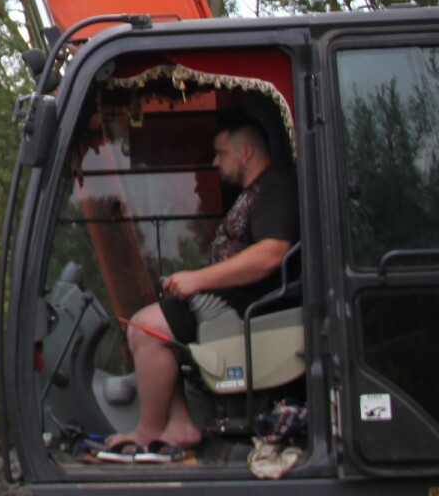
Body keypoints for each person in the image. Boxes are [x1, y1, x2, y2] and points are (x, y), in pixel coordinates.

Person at [103, 119, 299, 461]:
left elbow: (273, 253)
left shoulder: (275, 189)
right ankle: (179, 426)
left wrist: (199, 280)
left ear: (247, 152)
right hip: (221, 305)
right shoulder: (254, 193)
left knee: (144, 329)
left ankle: (147, 432)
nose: (215, 163)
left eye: (221, 154)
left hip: (243, 310)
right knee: (149, 329)